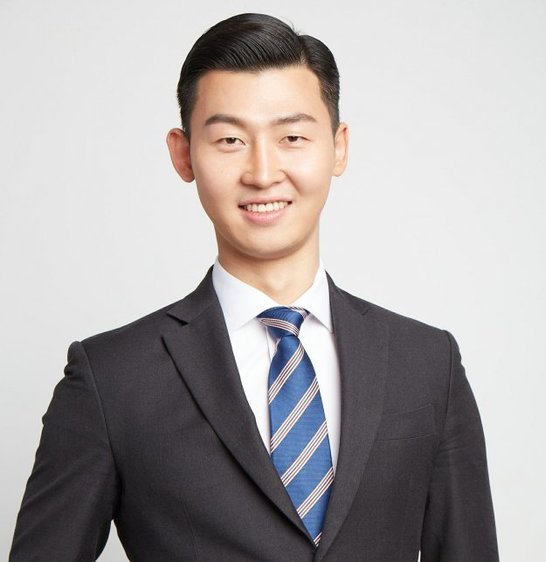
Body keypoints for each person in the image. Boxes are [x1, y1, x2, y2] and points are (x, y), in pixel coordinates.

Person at [10, 13, 499, 562]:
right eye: (230, 140)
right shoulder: (111, 380)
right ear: (183, 154)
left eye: (292, 137)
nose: (263, 172)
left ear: (338, 147)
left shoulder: (427, 364)